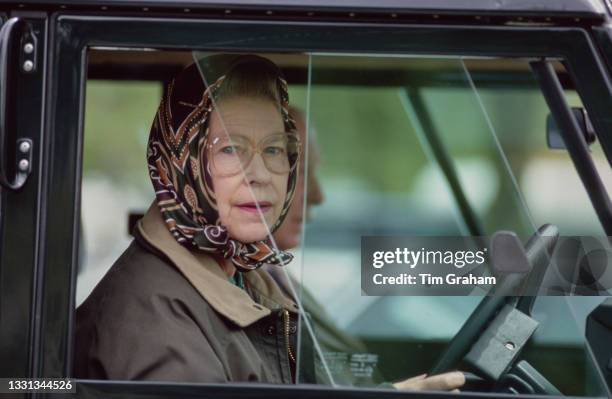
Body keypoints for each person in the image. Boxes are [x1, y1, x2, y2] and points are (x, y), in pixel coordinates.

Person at [74, 54, 464, 391]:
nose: (260, 173)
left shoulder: (245, 272)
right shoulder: (154, 325)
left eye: (275, 149)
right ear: (180, 162)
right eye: (230, 148)